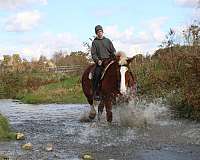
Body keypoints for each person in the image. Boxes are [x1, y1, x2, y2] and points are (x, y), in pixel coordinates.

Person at [91, 25, 116, 100]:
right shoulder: (94, 42)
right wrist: (97, 60)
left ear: (102, 32)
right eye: (98, 32)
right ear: (96, 33)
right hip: (101, 62)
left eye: (101, 31)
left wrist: (115, 55)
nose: (100, 33)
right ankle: (96, 93)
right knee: (97, 74)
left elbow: (113, 50)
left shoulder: (108, 40)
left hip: (109, 60)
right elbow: (93, 54)